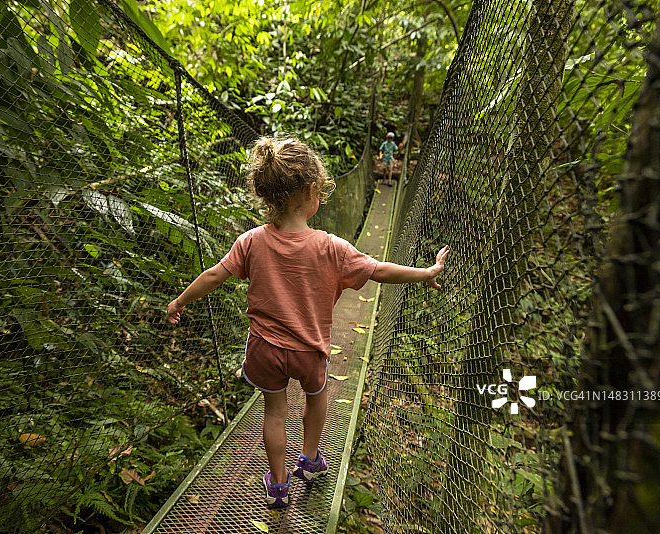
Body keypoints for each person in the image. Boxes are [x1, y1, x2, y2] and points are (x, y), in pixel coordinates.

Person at [165, 137, 450, 509]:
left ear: (267, 196)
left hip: (264, 350)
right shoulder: (332, 246)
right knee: (317, 398)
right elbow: (379, 270)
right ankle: (311, 459)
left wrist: (179, 300)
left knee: (274, 411)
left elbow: (213, 275)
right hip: (309, 352)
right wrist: (425, 271)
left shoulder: (250, 242)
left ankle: (278, 484)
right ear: (311, 190)